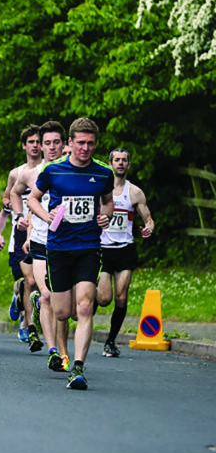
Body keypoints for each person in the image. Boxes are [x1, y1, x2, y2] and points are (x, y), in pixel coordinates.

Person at [28, 117, 114, 390]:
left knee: (86, 306)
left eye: (90, 144)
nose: (85, 148)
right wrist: (45, 214)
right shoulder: (54, 171)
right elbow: (32, 198)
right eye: (80, 143)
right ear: (70, 143)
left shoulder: (103, 173)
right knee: (63, 312)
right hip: (59, 248)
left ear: (95, 144)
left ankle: (78, 367)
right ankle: (38, 304)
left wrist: (106, 217)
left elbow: (108, 202)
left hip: (89, 247)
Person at [12, 122, 69, 365]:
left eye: (56, 142)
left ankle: (64, 348)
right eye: (47, 143)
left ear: (64, 144)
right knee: (45, 294)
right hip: (39, 240)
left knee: (66, 306)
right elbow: (16, 194)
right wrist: (20, 220)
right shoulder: (29, 174)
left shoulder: (73, 171)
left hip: (68, 242)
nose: (52, 147)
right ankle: (54, 351)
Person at [97, 148, 154, 357]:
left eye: (124, 160)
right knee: (104, 299)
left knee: (121, 298)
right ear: (110, 163)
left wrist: (149, 228)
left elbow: (148, 218)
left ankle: (110, 341)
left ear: (128, 165)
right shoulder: (101, 190)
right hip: (103, 249)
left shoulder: (135, 192)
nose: (120, 163)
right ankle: (87, 300)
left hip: (125, 250)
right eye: (117, 160)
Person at [0, 125, 43, 341]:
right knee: (28, 282)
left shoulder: (49, 170)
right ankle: (27, 323)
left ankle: (23, 310)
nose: (35, 145)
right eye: (30, 142)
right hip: (20, 234)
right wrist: (17, 212)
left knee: (37, 283)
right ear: (24, 145)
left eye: (38, 141)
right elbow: (6, 198)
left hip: (42, 230)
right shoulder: (16, 173)